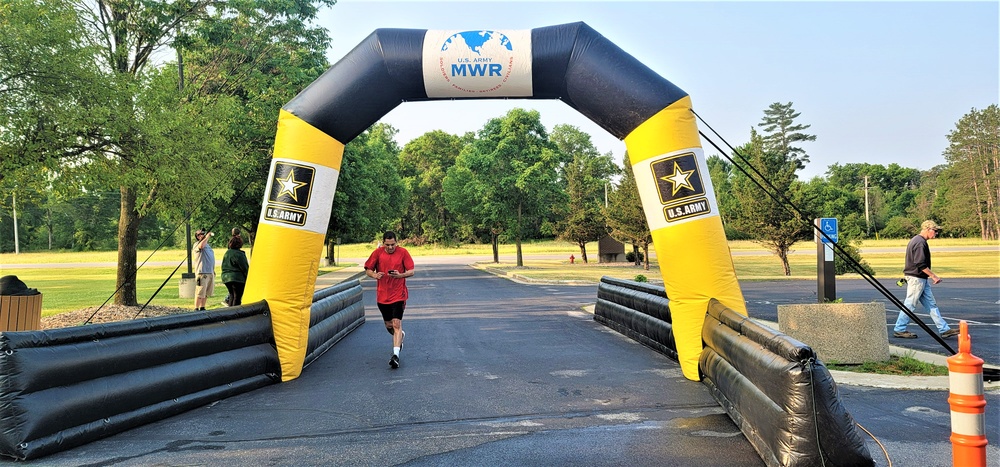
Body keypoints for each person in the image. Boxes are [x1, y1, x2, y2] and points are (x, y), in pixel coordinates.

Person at [892, 220, 959, 339]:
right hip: (917, 278)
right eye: (935, 231)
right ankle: (899, 329)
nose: (936, 233)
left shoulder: (917, 240)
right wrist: (933, 276)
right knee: (910, 304)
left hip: (920, 279)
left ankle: (944, 329)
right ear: (928, 229)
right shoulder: (920, 243)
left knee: (931, 304)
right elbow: (920, 264)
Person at [364, 231, 415, 369]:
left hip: (399, 294)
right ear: (383, 243)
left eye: (393, 244)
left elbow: (411, 271)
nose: (390, 247)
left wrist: (400, 275)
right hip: (382, 296)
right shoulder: (377, 253)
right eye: (387, 245)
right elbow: (368, 269)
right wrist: (375, 275)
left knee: (396, 324)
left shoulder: (403, 252)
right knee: (389, 326)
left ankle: (396, 356)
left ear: (396, 242)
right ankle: (399, 338)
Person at [221, 228, 250, 307]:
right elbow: (245, 268)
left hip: (226, 278)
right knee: (237, 297)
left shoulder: (227, 253)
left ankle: (230, 313)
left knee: (232, 296)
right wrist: (249, 278)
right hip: (237, 279)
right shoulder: (239, 254)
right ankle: (235, 313)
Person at [193, 229, 216, 311]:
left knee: (206, 292)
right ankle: (196, 308)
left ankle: (202, 307)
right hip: (202, 273)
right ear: (197, 237)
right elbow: (201, 246)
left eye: (203, 234)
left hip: (210, 272)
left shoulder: (208, 245)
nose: (202, 235)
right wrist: (207, 237)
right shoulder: (197, 244)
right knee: (200, 291)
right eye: (199, 234)